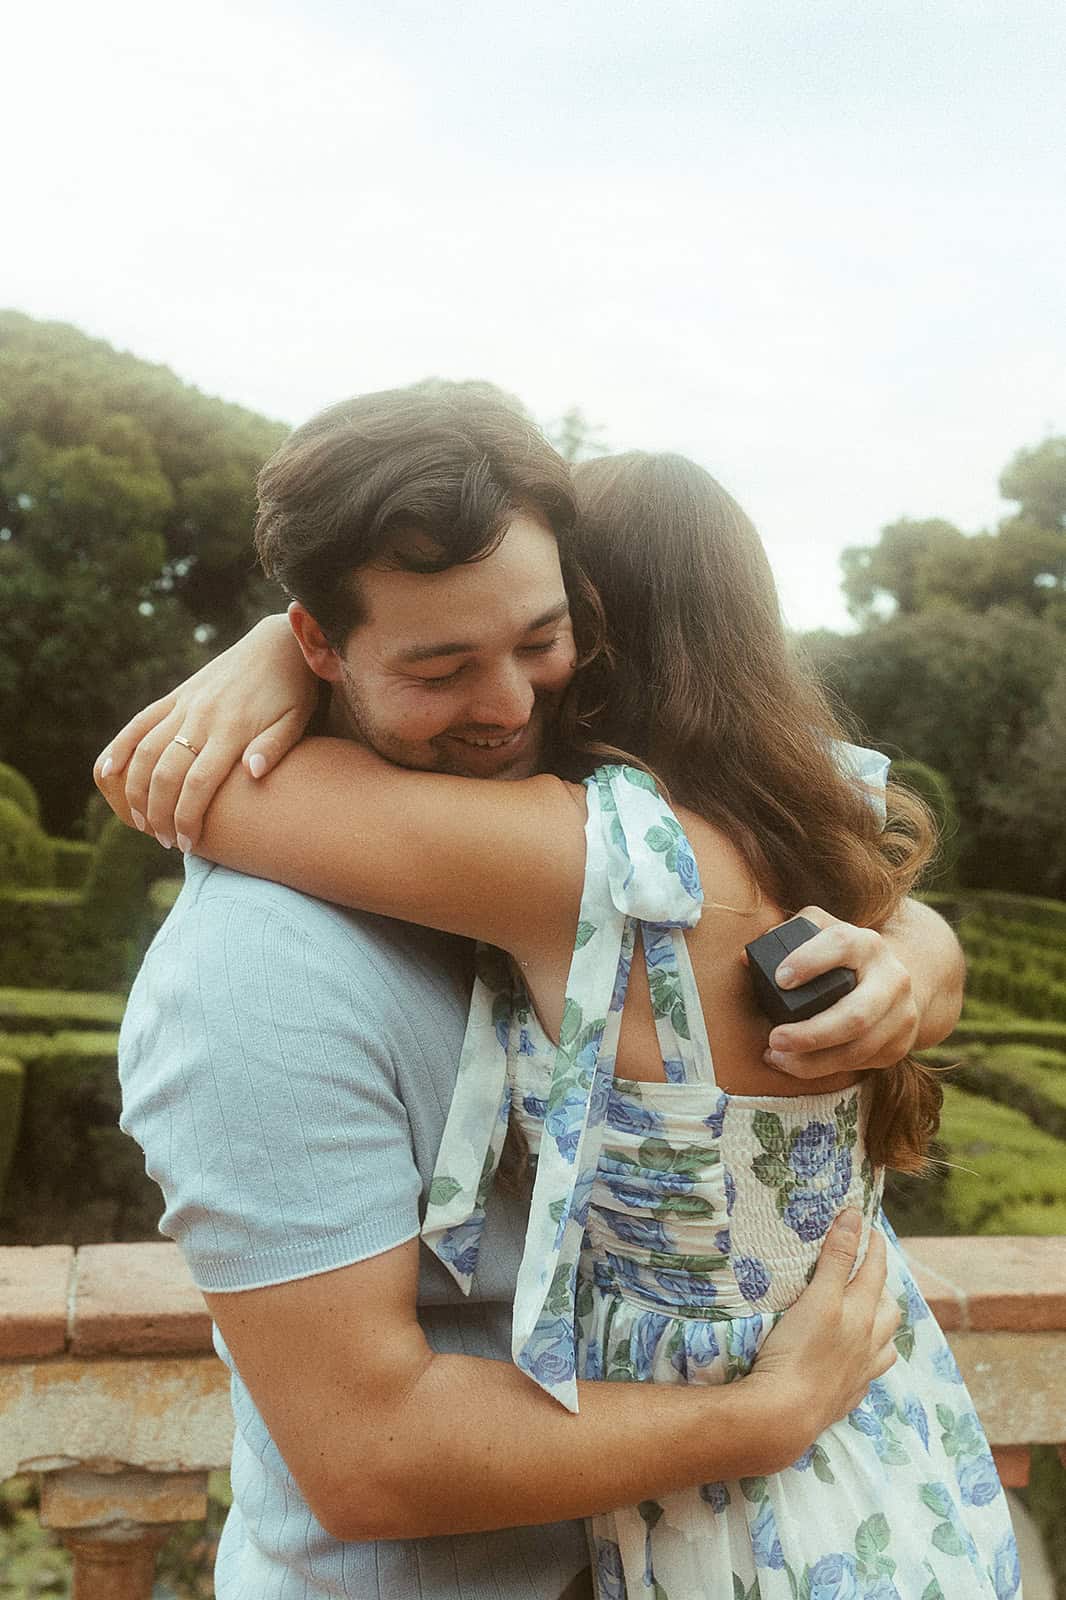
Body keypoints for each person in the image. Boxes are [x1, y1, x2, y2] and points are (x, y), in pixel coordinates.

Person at [98, 386, 991, 1600]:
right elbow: (367, 1450)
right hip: (843, 1476)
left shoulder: (608, 856)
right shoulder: (257, 963)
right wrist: (762, 1416)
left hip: (724, 1520)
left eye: (540, 640)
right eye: (441, 662)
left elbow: (185, 789)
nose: (513, 704)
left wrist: (281, 663)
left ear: (595, 624)